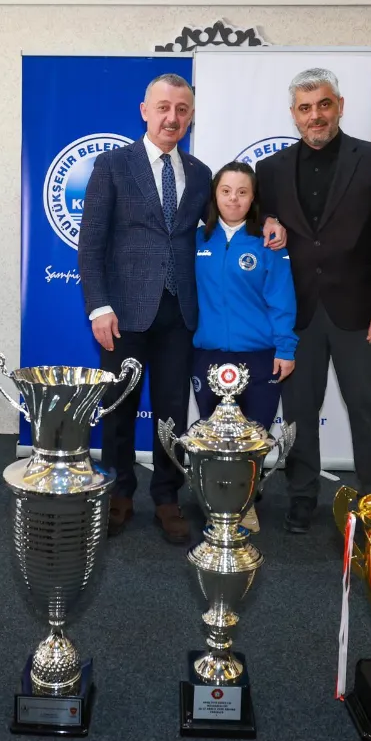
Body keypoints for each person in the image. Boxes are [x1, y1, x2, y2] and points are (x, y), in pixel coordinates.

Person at [78, 74, 286, 544]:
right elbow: (90, 243)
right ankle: (119, 494)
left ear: (190, 117)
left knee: (172, 411)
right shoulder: (112, 165)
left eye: (182, 110)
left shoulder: (199, 171)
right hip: (123, 314)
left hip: (181, 316)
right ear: (145, 111)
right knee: (119, 408)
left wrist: (272, 217)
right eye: (163, 107)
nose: (172, 118)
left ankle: (166, 498)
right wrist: (98, 307)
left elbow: (232, 212)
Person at [255, 68, 371, 534]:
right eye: (305, 108)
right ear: (293, 114)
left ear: (339, 106)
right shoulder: (271, 170)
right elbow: (263, 226)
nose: (315, 115)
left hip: (361, 313)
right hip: (297, 313)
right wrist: (266, 222)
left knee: (369, 409)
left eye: (323, 104)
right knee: (299, 413)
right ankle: (302, 497)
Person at [192, 162, 297, 533]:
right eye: (226, 191)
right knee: (214, 438)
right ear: (215, 195)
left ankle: (245, 503)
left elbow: (282, 299)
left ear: (253, 199)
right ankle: (217, 502)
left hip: (259, 356)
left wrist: (285, 348)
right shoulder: (197, 240)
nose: (233, 199)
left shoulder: (268, 243)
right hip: (208, 356)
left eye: (242, 192)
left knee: (252, 439)